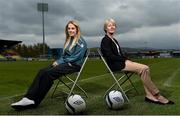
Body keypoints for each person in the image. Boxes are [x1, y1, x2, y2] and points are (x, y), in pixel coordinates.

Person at [11, 20, 87, 109]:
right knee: (42, 71)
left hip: (73, 65)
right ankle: (28, 98)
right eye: (69, 28)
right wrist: (58, 61)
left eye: (73, 28)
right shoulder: (69, 40)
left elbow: (75, 57)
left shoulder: (81, 41)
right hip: (66, 63)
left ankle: (35, 101)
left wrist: (59, 62)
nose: (70, 30)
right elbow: (64, 56)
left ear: (77, 29)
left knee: (48, 74)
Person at [100, 18, 174, 105]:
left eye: (113, 25)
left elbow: (119, 54)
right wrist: (125, 60)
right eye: (109, 25)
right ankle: (157, 95)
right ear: (105, 28)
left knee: (146, 69)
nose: (112, 27)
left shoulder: (114, 40)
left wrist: (128, 59)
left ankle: (149, 96)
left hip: (122, 62)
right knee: (144, 68)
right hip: (116, 65)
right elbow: (110, 56)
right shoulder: (105, 40)